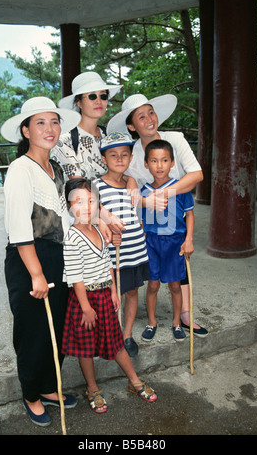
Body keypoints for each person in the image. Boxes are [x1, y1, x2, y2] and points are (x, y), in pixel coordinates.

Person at [1, 96, 81, 427]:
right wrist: (36, 274)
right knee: (34, 330)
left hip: (58, 255)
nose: (50, 129)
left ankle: (50, 386)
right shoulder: (20, 169)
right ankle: (31, 394)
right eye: (40, 123)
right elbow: (19, 227)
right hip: (30, 258)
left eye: (54, 122)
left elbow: (66, 216)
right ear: (26, 130)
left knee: (58, 326)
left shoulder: (56, 167)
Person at [107, 93, 208, 339]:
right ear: (132, 125)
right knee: (154, 275)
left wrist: (165, 192)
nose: (150, 119)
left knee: (179, 269)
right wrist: (133, 182)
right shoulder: (132, 153)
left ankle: (185, 315)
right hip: (151, 219)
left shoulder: (175, 138)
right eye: (141, 116)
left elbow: (196, 175)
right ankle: (153, 320)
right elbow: (125, 177)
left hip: (177, 206)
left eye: (151, 112)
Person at [61, 178, 157, 413]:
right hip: (85, 300)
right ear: (68, 206)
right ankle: (92, 388)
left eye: (91, 201)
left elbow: (107, 263)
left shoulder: (97, 228)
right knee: (85, 347)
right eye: (79, 201)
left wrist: (114, 290)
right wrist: (85, 307)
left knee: (116, 343)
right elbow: (76, 277)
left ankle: (134, 381)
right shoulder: (72, 238)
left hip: (104, 295)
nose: (85, 206)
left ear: (98, 204)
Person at [92, 132, 149, 357]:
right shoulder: (95, 185)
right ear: (104, 159)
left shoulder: (133, 184)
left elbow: (140, 212)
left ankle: (127, 334)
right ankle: (111, 333)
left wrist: (133, 181)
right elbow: (89, 214)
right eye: (113, 155)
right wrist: (106, 231)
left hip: (134, 249)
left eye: (124, 154)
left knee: (132, 292)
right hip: (112, 252)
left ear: (130, 158)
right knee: (112, 295)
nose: (119, 159)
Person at [140, 139, 195, 341]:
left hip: (175, 243)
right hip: (152, 243)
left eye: (164, 160)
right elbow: (143, 222)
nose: (159, 165)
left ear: (172, 162)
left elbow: (189, 215)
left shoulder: (181, 188)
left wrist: (188, 239)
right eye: (154, 161)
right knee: (153, 285)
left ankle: (176, 322)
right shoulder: (143, 192)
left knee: (174, 286)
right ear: (146, 164)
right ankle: (152, 321)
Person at [51, 71, 122, 180]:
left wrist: (128, 179)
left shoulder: (109, 137)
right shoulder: (65, 140)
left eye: (103, 96)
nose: (99, 101)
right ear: (78, 103)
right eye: (92, 96)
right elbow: (77, 184)